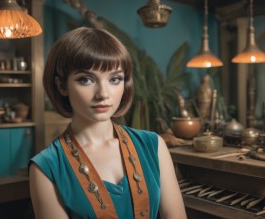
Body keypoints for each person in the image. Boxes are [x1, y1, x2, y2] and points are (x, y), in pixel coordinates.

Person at [29, 27, 186, 219]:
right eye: (86, 79)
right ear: (62, 85)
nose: (103, 93)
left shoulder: (153, 146)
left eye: (115, 79)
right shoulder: (47, 167)